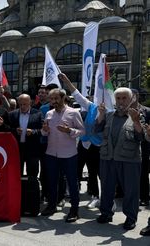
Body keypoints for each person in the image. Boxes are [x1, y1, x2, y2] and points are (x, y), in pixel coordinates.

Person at [95, 87, 144, 231]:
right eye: (118, 98)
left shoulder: (137, 115)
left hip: (129, 159)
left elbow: (141, 137)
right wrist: (101, 115)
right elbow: (97, 129)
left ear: (131, 99)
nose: (121, 101)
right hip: (108, 158)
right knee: (107, 187)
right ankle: (106, 213)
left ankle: (130, 218)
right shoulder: (109, 115)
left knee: (130, 190)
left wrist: (136, 121)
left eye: (124, 98)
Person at [40, 88, 84, 223]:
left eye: (56, 99)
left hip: (69, 154)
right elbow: (44, 133)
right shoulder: (48, 113)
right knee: (51, 181)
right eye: (51, 99)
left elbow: (82, 131)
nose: (53, 102)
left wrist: (69, 130)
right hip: (52, 153)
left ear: (63, 98)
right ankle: (52, 206)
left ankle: (74, 210)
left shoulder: (73, 113)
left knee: (72, 182)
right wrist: (44, 130)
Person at [59, 73, 103, 208]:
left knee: (94, 172)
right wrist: (67, 81)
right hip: (83, 144)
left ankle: (96, 196)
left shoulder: (110, 111)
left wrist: (102, 114)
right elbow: (77, 95)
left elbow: (99, 128)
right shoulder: (91, 107)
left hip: (97, 145)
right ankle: (73, 193)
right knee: (76, 169)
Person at [8, 94, 43, 177]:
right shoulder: (12, 114)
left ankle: (32, 189)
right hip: (17, 148)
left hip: (32, 148)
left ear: (30, 103)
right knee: (16, 173)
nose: (22, 106)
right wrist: (15, 130)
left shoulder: (38, 114)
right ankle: (17, 190)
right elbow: (7, 129)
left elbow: (42, 130)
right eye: (20, 104)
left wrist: (33, 132)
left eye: (25, 104)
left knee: (32, 173)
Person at [130, 89, 150, 207]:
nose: (131, 98)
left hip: (144, 145)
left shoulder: (147, 111)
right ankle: (122, 192)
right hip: (129, 146)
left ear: (137, 96)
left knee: (143, 173)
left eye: (133, 95)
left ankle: (144, 197)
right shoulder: (124, 111)